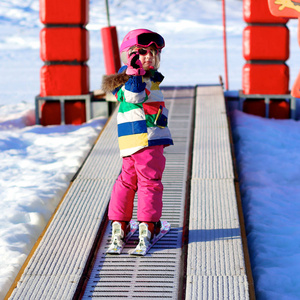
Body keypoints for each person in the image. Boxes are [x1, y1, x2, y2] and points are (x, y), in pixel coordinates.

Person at [102, 29, 173, 249]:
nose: (149, 56)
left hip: (130, 142)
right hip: (147, 140)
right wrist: (135, 73)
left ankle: (120, 225)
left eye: (153, 52)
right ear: (130, 55)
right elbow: (135, 95)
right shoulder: (135, 77)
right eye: (142, 52)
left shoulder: (125, 78)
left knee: (126, 182)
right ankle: (148, 227)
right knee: (149, 183)